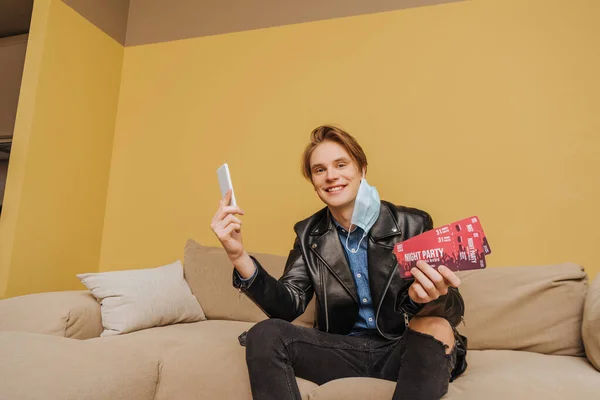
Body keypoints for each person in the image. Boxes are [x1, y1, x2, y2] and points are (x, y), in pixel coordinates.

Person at [211, 125, 467, 400]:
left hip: (404, 349)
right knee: (265, 333)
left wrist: (425, 300)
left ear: (362, 170)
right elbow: (286, 306)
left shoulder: (413, 223)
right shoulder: (308, 234)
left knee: (436, 325)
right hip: (343, 352)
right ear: (313, 182)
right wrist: (238, 256)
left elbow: (452, 308)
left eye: (341, 164)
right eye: (319, 170)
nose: (331, 176)